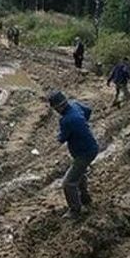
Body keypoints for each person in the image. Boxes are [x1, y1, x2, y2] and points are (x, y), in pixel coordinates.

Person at [49, 91, 99, 220]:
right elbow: (88, 111)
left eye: (55, 109)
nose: (56, 111)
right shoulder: (75, 105)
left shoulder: (67, 120)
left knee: (68, 183)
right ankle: (85, 198)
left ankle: (75, 210)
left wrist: (57, 137)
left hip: (84, 153)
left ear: (59, 107)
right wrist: (82, 126)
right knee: (79, 173)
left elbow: (62, 139)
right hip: (90, 147)